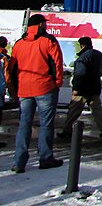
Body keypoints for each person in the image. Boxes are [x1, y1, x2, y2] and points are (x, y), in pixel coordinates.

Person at [11, 14, 65, 173]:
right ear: (41, 25)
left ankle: (19, 162)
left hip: (24, 88)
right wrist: (57, 83)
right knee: (46, 124)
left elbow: (12, 69)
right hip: (44, 87)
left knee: (24, 125)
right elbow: (57, 63)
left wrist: (15, 89)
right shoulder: (48, 41)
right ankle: (45, 157)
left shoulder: (19, 44)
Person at [58, 37, 102, 140]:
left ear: (82, 45)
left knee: (73, 111)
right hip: (95, 87)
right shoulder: (98, 54)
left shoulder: (82, 58)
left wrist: (76, 88)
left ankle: (67, 130)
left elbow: (79, 75)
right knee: (97, 109)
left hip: (82, 89)